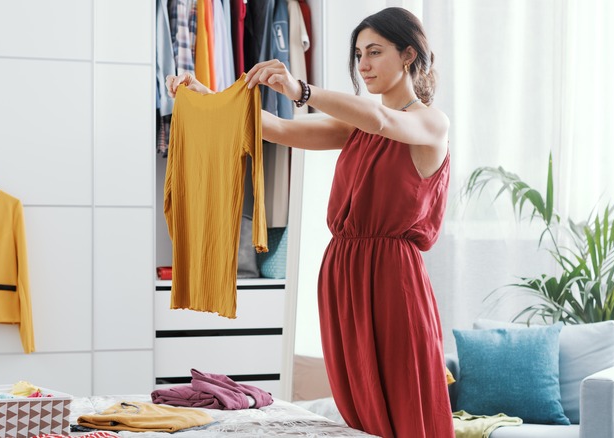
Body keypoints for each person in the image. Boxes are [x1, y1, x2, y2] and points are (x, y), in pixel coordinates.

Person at [166, 7, 452, 438]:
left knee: (404, 397)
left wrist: (302, 90)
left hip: (393, 277)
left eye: (375, 52)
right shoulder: (357, 126)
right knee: (358, 403)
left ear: (409, 54)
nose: (364, 65)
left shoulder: (429, 122)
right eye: (358, 54)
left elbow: (382, 119)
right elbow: (277, 128)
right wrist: (202, 94)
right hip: (342, 272)